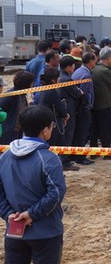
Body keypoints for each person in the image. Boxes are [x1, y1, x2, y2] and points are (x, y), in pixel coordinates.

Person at [0, 105, 67, 264]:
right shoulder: (49, 159)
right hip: (45, 232)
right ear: (45, 130)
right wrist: (31, 214)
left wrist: (8, 213)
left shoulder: (5, 156)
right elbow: (56, 193)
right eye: (52, 126)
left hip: (14, 229)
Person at [37, 67, 78, 171]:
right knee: (58, 142)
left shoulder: (43, 89)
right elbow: (59, 105)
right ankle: (63, 162)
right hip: (53, 121)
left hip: (45, 119)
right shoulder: (51, 91)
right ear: (53, 80)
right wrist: (65, 115)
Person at [90, 47, 111, 158]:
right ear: (108, 58)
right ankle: (107, 153)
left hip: (95, 104)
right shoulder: (105, 71)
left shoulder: (94, 69)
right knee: (106, 129)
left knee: (95, 129)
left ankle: (94, 152)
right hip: (105, 103)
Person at [0, 71, 35, 145]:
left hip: (17, 130)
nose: (32, 86)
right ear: (26, 84)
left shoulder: (21, 95)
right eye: (31, 83)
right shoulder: (11, 95)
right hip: (8, 132)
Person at [71, 52, 96, 149]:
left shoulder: (78, 71)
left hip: (77, 107)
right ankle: (81, 157)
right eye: (94, 60)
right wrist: (87, 106)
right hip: (83, 108)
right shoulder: (86, 75)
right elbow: (84, 94)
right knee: (82, 132)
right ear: (91, 61)